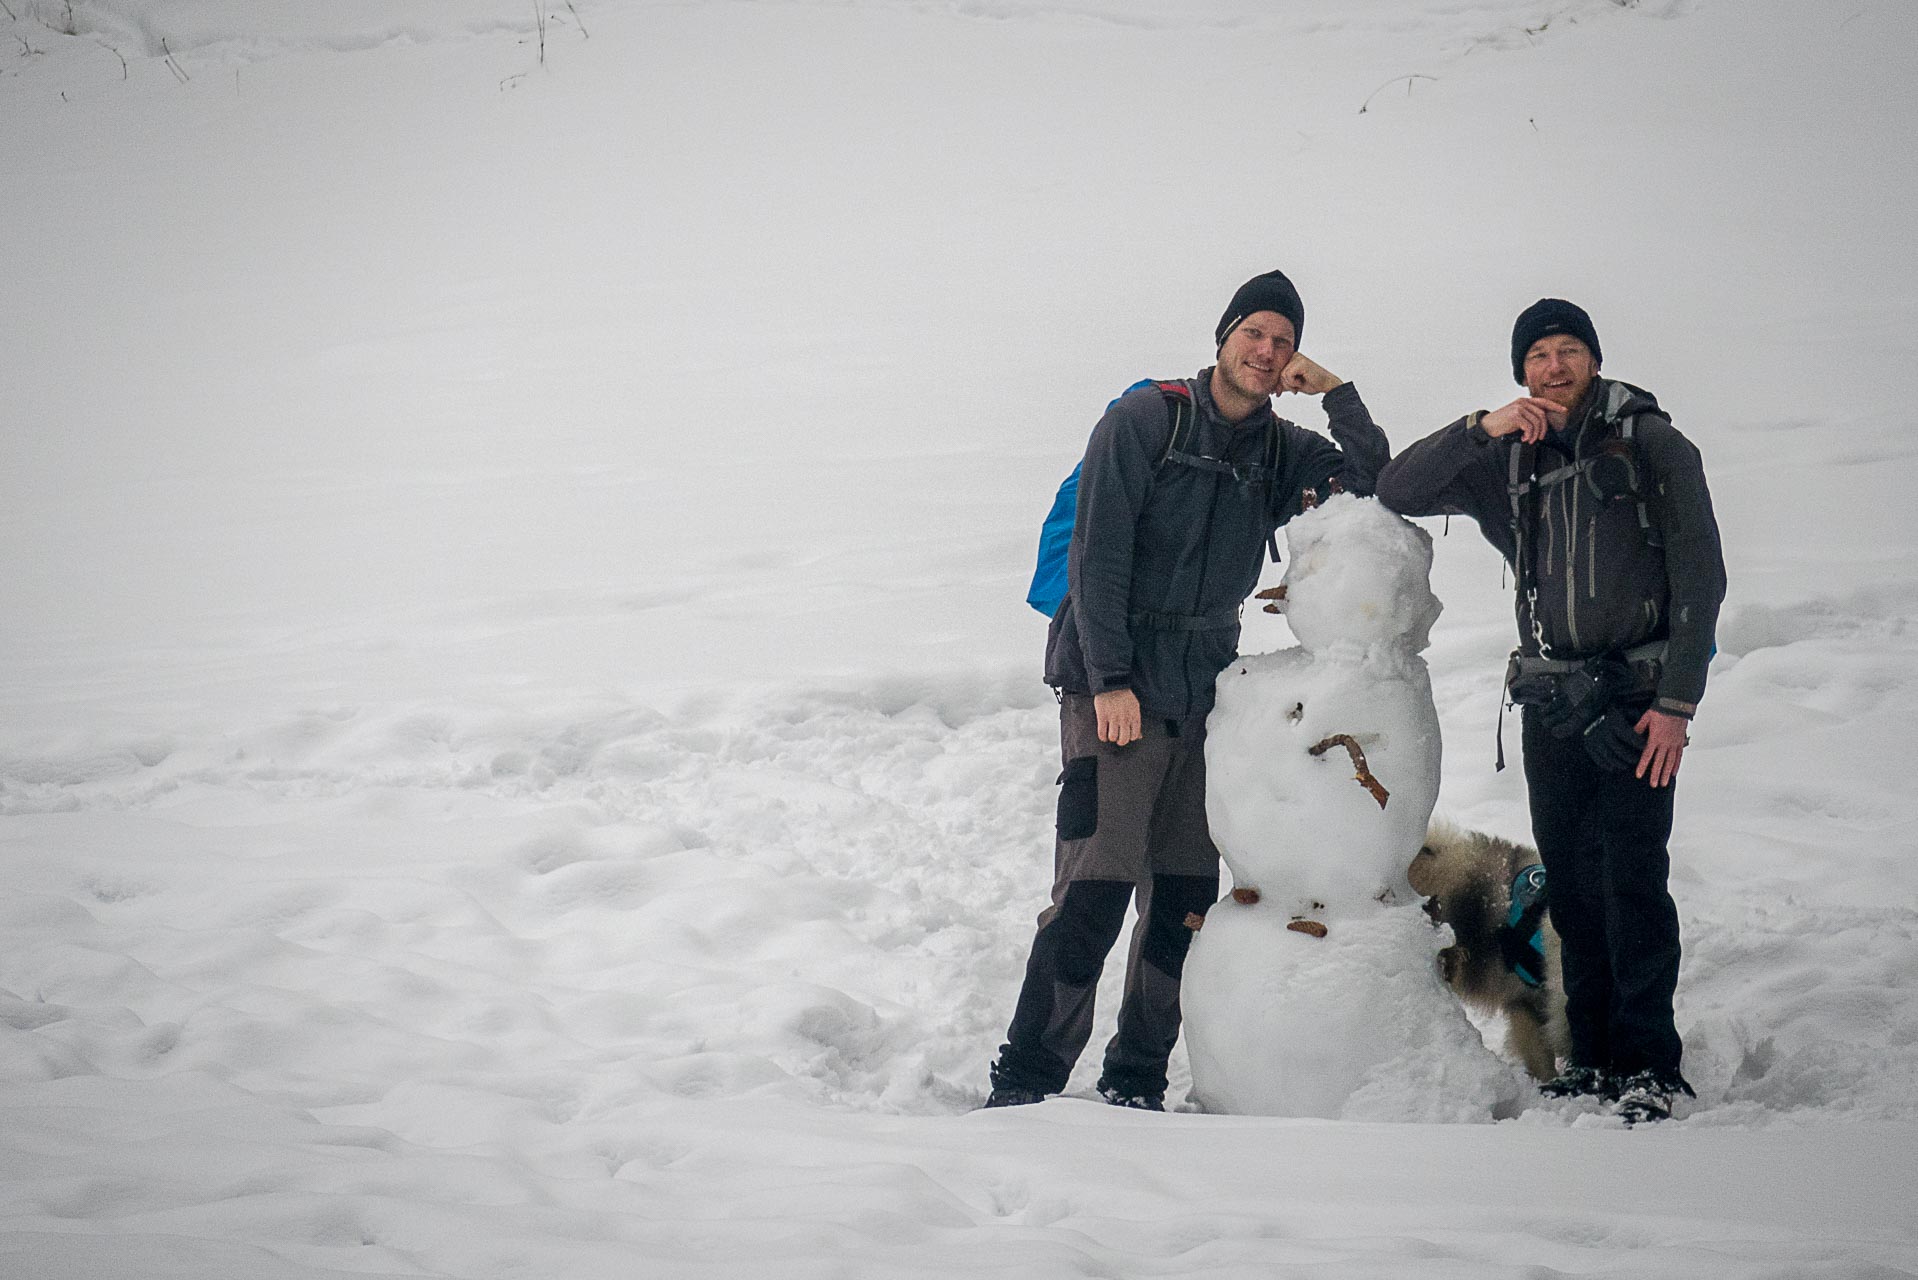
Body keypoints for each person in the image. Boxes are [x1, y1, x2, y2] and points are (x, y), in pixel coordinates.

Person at [984, 270, 1391, 1111]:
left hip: (1208, 694)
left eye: (1283, 342)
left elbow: (1371, 481)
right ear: (1223, 338)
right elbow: (1096, 557)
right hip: (1116, 682)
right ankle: (1024, 1083)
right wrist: (1109, 683)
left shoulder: (1282, 451)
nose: (1268, 351)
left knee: (1182, 901)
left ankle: (1135, 1080)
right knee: (1094, 890)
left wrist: (1340, 393)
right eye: (1254, 334)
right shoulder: (1145, 421)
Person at [1375, 298, 1726, 1124]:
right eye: (1538, 355)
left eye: (1570, 351)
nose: (1554, 366)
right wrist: (1479, 427)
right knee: (1572, 889)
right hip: (1552, 705)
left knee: (1634, 881)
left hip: (1640, 706)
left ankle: (1651, 1064)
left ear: (1594, 362)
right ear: (1520, 372)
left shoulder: (1652, 445)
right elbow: (1398, 486)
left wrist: (1676, 703)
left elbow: (1702, 579)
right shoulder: (1511, 461)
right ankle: (1591, 1057)